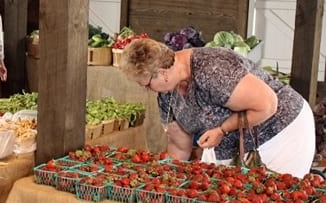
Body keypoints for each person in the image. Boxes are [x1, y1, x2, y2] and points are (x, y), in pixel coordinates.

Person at [120, 38, 315, 177]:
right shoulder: (166, 94)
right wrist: (165, 176)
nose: (146, 90)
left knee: (276, 201)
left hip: (280, 132)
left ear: (162, 73)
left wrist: (223, 129)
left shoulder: (213, 69)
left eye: (145, 85)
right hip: (234, 147)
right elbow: (179, 145)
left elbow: (267, 105)